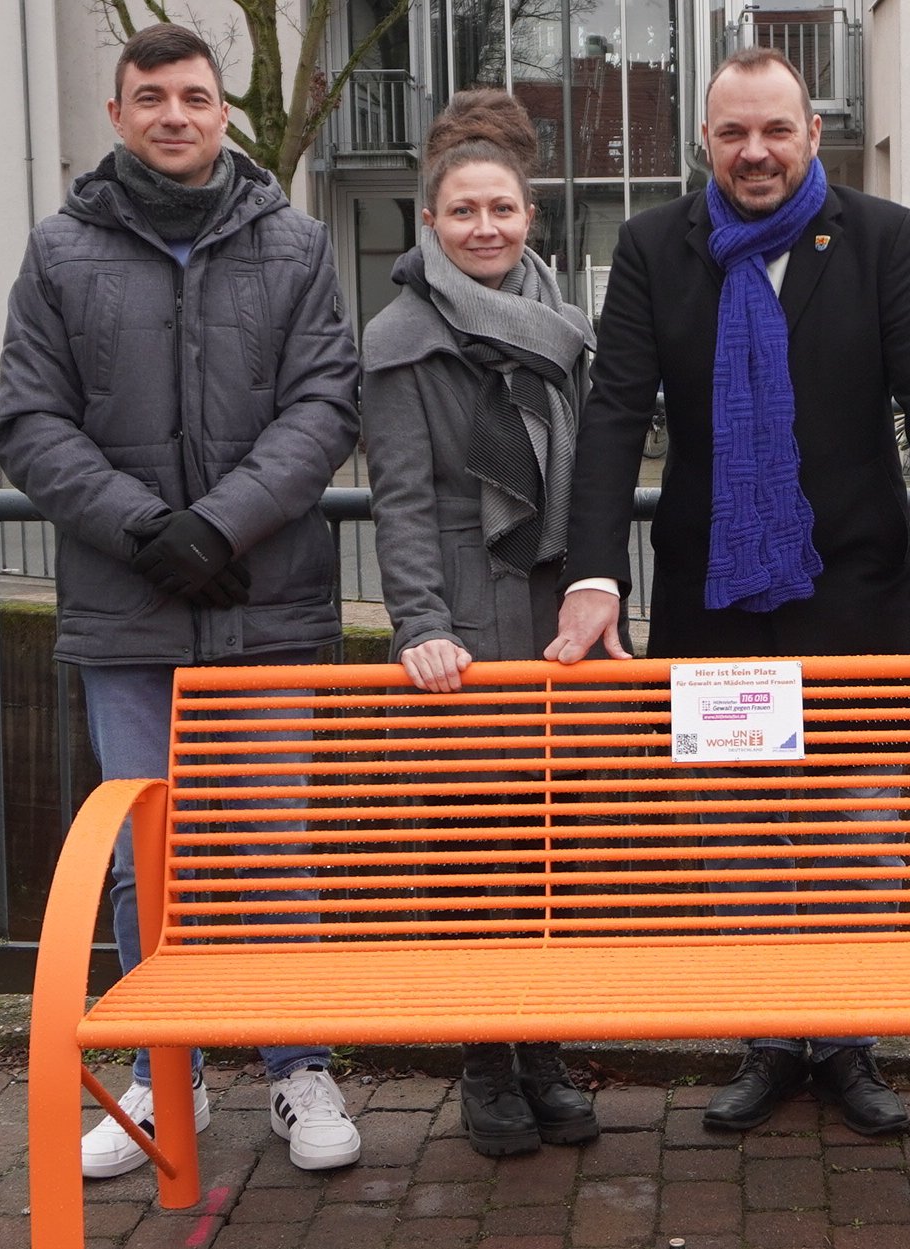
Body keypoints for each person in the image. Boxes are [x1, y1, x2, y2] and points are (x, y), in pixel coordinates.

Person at [544, 46, 910, 1138]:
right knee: (738, 836)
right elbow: (613, 414)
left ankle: (843, 1040)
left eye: (775, 131)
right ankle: (768, 1036)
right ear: (704, 141)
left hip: (852, 595)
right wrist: (594, 574)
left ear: (812, 135)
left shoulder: (881, 237)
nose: (755, 152)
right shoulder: (654, 246)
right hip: (715, 603)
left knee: (857, 835)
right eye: (733, 133)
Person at [0, 22, 363, 1179]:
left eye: (194, 97)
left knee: (269, 841)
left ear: (221, 111)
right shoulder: (59, 251)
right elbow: (27, 420)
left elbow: (324, 403)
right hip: (128, 609)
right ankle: (166, 1069)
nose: (174, 115)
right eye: (150, 97)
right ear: (118, 114)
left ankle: (298, 1064)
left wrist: (219, 525)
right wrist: (146, 528)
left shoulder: (295, 243)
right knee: (139, 854)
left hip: (266, 601)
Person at [356, 89, 602, 1158]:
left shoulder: (564, 328)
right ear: (430, 222)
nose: (485, 226)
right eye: (463, 211)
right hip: (461, 621)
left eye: (502, 208)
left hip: (553, 614)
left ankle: (541, 1046)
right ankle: (484, 1061)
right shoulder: (400, 340)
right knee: (469, 855)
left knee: (553, 849)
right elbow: (402, 500)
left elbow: (596, 477)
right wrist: (419, 623)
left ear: (529, 216)